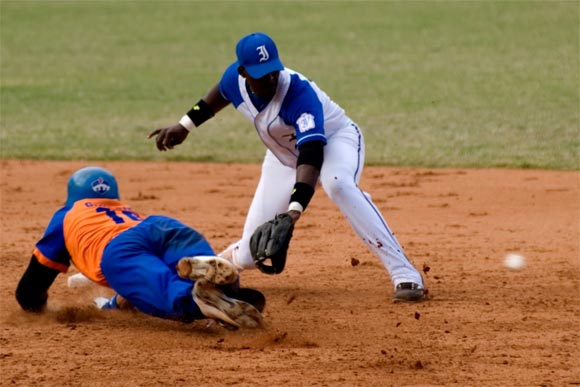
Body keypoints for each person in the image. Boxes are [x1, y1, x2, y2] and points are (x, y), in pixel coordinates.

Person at [149, 32, 426, 302]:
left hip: (334, 142)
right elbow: (217, 96)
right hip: (283, 158)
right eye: (261, 74)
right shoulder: (235, 79)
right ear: (243, 72)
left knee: (338, 183)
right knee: (249, 254)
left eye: (273, 70)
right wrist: (185, 125)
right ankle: (225, 261)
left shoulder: (298, 95)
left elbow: (312, 153)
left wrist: (294, 211)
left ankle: (405, 273)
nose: (270, 78)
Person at [15, 166, 264, 329]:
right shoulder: (121, 209)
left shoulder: (67, 215)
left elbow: (32, 285)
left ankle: (198, 301)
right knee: (165, 270)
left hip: (117, 250)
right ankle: (218, 284)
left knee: (165, 291)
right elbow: (132, 289)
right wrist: (116, 303)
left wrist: (34, 308)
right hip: (159, 226)